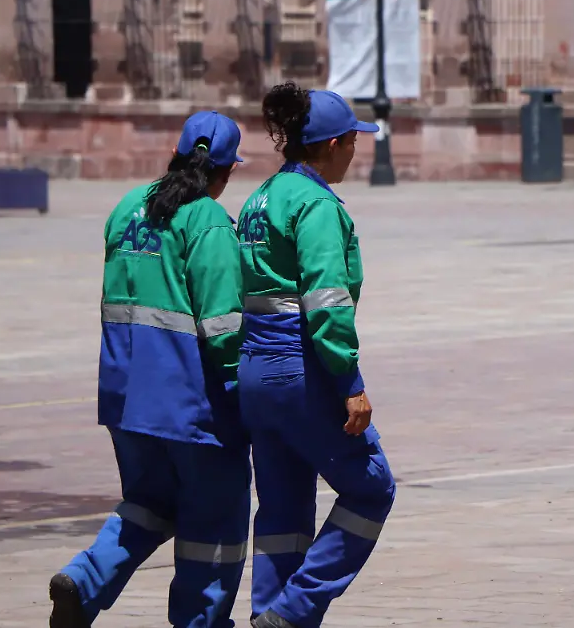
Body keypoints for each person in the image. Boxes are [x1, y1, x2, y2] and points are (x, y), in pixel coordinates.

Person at [49, 111, 252, 628]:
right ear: (224, 171)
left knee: (149, 502)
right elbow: (225, 326)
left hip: (125, 398)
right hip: (192, 409)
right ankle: (198, 622)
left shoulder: (126, 208)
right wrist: (246, 398)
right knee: (215, 521)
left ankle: (85, 579)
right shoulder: (206, 221)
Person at [235, 81, 396, 628]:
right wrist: (350, 382)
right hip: (300, 369)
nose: (357, 150)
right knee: (372, 489)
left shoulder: (261, 198)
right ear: (332, 145)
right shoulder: (316, 205)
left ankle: (268, 616)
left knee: (283, 509)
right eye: (354, 141)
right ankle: (295, 611)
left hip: (256, 371)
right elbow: (326, 301)